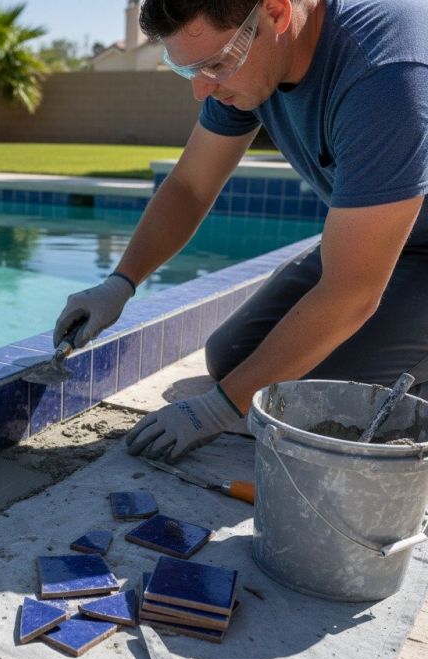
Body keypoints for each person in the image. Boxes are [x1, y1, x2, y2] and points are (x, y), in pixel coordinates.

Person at [53, 0, 428, 463]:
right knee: (233, 358)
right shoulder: (252, 63)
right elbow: (191, 186)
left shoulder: (385, 74)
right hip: (395, 238)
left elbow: (351, 294)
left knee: (307, 400)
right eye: (187, 69)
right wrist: (119, 283)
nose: (201, 89)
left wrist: (217, 410)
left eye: (215, 64)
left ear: (276, 12)